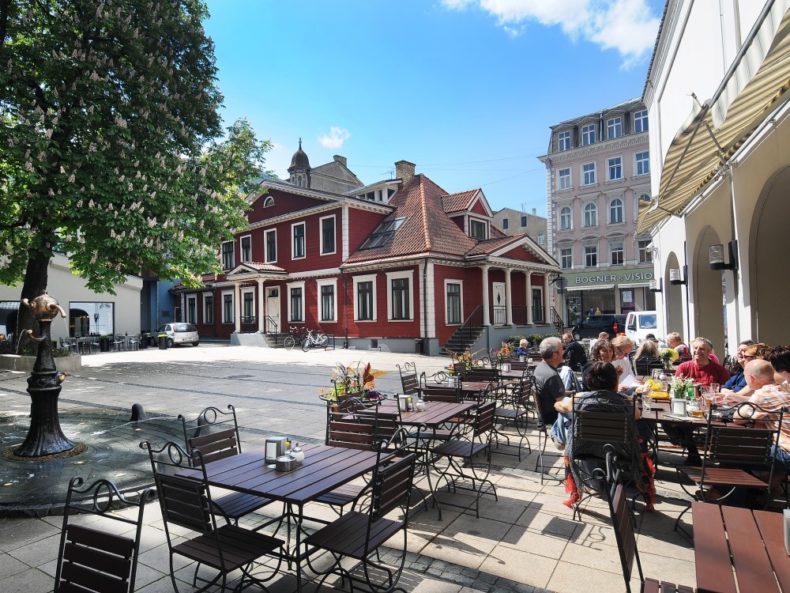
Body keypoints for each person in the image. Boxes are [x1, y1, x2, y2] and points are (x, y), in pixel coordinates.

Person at [553, 362, 655, 510]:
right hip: (620, 450)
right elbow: (638, 416)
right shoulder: (625, 402)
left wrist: (560, 404)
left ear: (590, 381)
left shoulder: (580, 399)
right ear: (615, 381)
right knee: (642, 446)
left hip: (584, 448)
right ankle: (648, 499)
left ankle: (575, 493)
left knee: (566, 423)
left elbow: (559, 406)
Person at [734, 359, 790, 471]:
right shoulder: (785, 388)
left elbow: (737, 418)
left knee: (732, 447)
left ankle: (725, 488)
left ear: (751, 378)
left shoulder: (763, 393)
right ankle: (771, 487)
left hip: (786, 454)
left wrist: (752, 414)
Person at [533, 336, 566, 428]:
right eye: (562, 350)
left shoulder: (539, 368)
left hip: (544, 415)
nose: (563, 352)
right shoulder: (552, 376)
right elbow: (563, 404)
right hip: (555, 418)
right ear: (555, 355)